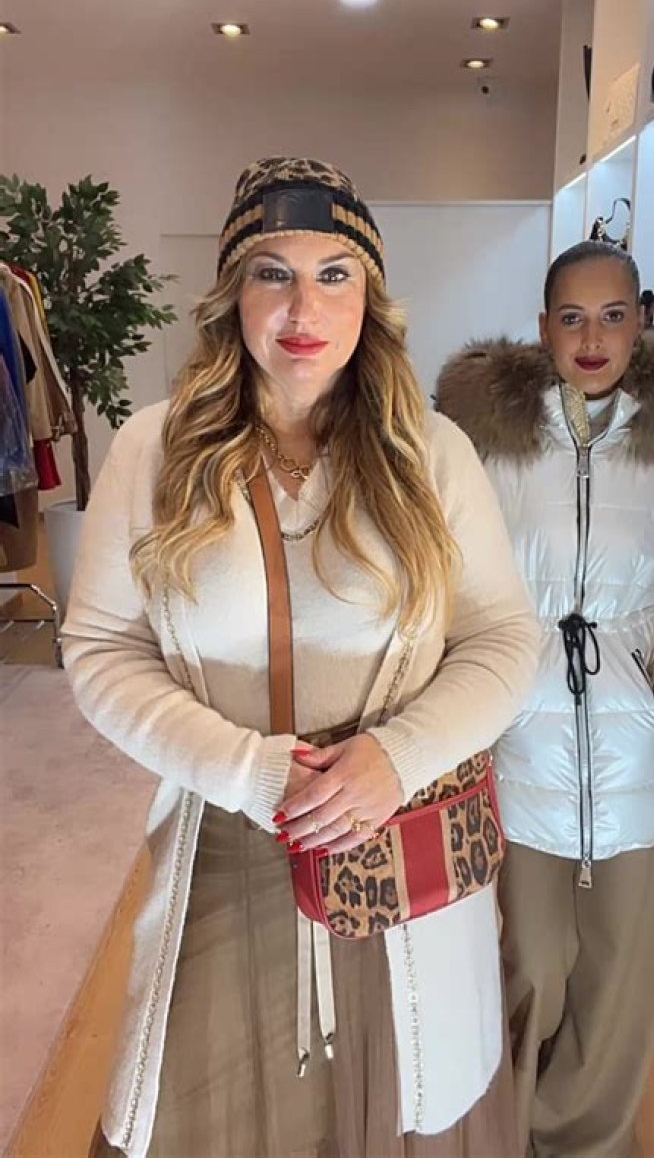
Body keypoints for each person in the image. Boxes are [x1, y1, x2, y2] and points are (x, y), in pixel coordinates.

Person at [62, 157, 540, 1158]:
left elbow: (503, 638)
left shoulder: (432, 452)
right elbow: (101, 649)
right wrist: (254, 772)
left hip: (399, 847)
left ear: (371, 295)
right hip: (223, 849)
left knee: (407, 1095)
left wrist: (398, 756)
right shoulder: (152, 451)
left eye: (335, 274)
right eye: (272, 271)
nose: (302, 307)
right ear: (232, 291)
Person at [435, 240, 654, 1158]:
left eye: (612, 315)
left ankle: (589, 1142)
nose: (592, 338)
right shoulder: (489, 443)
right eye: (572, 317)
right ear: (544, 326)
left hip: (645, 756)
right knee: (533, 966)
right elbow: (449, 580)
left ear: (642, 322)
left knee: (623, 980)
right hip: (519, 747)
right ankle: (511, 1132)